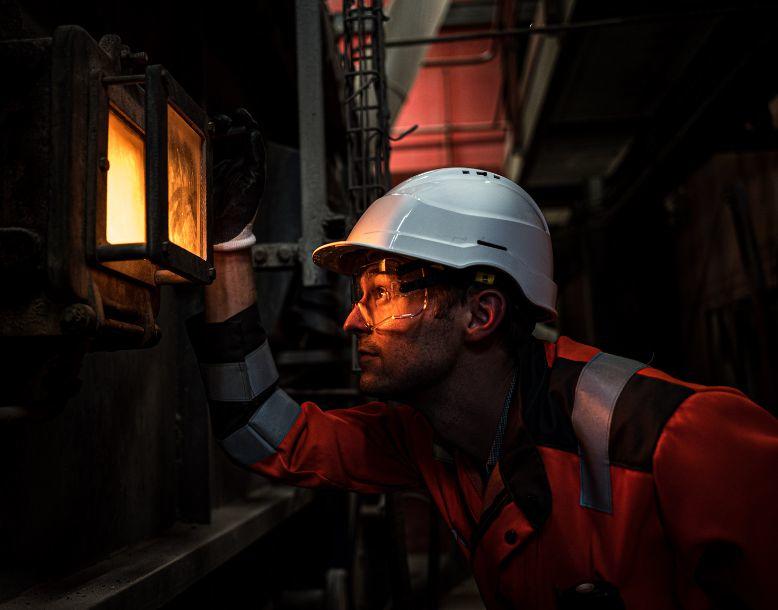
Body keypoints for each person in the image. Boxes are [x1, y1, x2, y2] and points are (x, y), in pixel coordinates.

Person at [189, 135, 778, 609]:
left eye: (385, 293)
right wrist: (230, 243)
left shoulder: (679, 439)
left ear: (480, 313)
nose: (352, 320)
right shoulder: (426, 437)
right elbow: (260, 429)